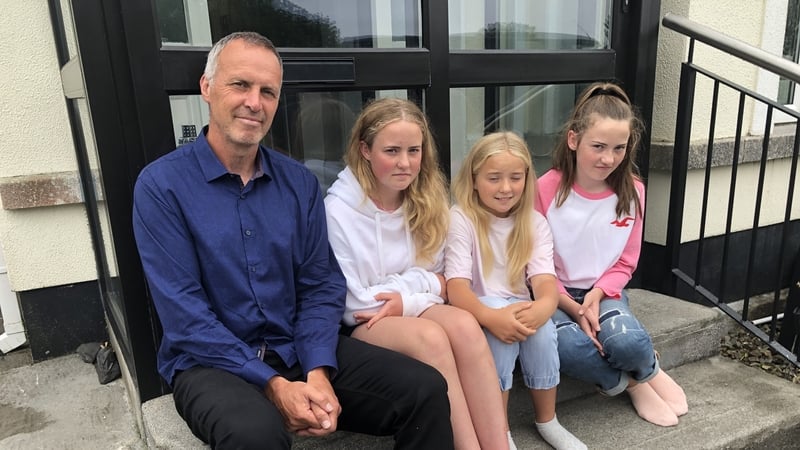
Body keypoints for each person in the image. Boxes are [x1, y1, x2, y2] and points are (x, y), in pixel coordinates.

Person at [132, 32, 454, 450]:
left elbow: (320, 284)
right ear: (207, 88)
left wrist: (319, 369)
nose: (255, 102)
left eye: (268, 91)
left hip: (298, 347)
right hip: (210, 364)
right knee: (256, 435)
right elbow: (186, 317)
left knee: (424, 389)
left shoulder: (298, 183)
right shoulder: (162, 187)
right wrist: (274, 385)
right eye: (240, 85)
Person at [324, 97, 509, 450]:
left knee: (466, 327)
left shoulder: (424, 196)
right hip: (360, 323)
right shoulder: (338, 211)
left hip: (407, 304)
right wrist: (413, 291)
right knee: (431, 339)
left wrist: (404, 296)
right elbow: (353, 303)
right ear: (364, 149)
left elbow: (442, 278)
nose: (405, 163)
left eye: (414, 150)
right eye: (391, 151)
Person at [535, 82, 689, 427]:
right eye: (598, 146)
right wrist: (574, 306)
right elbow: (535, 263)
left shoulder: (633, 191)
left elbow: (626, 261)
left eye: (619, 148)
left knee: (628, 343)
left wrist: (596, 296)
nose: (608, 158)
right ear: (574, 140)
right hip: (552, 294)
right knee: (567, 348)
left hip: (605, 292)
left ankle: (648, 367)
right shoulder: (545, 188)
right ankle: (632, 382)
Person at [446, 131, 586, 450]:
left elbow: (544, 283)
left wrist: (545, 307)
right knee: (500, 330)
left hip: (517, 310)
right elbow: (456, 287)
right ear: (475, 178)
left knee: (543, 332)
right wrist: (490, 317)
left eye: (515, 177)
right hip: (476, 311)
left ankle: (547, 419)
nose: (506, 188)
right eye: (494, 178)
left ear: (527, 178)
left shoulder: (533, 222)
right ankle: (498, 427)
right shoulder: (461, 218)